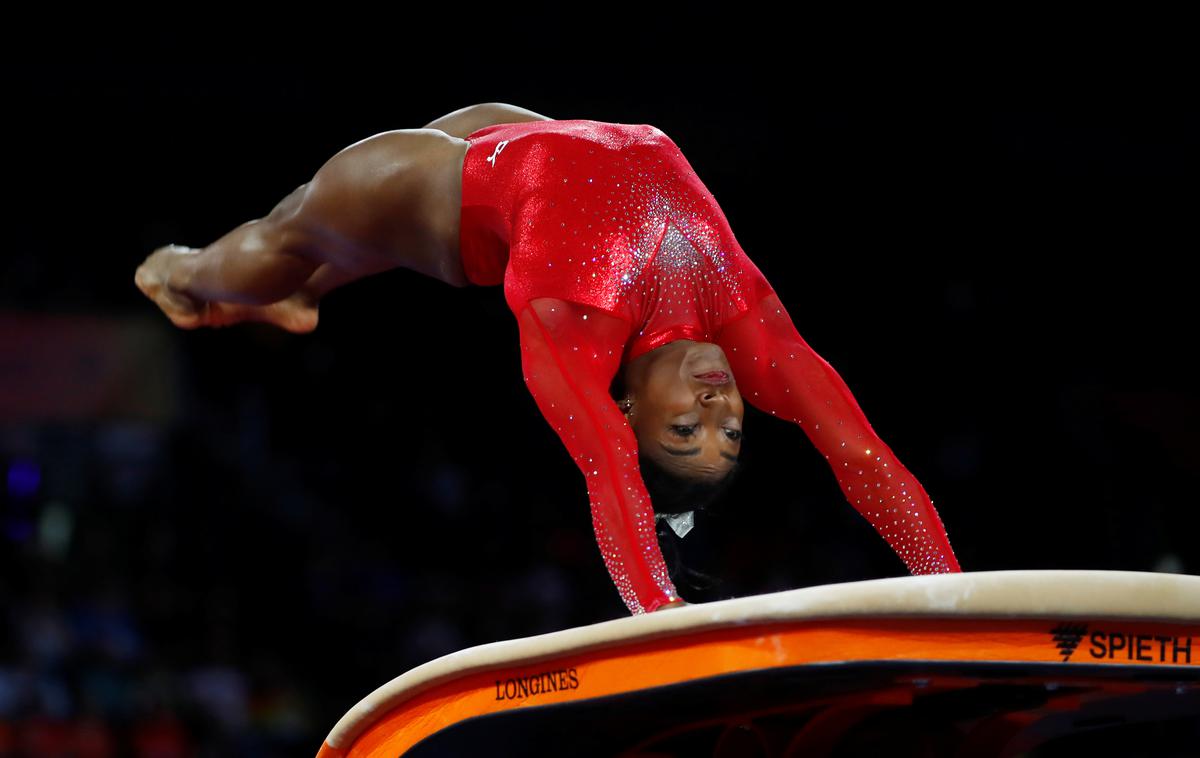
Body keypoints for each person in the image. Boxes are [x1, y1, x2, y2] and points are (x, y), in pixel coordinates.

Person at [134, 103, 961, 616]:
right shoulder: (750, 330)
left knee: (282, 240)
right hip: (534, 139)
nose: (720, 411)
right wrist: (955, 591)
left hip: (440, 195)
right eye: (731, 433)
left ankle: (180, 271)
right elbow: (863, 457)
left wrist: (656, 613)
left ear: (633, 409)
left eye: (686, 430)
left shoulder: (576, 324)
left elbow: (608, 472)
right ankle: (295, 291)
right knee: (314, 258)